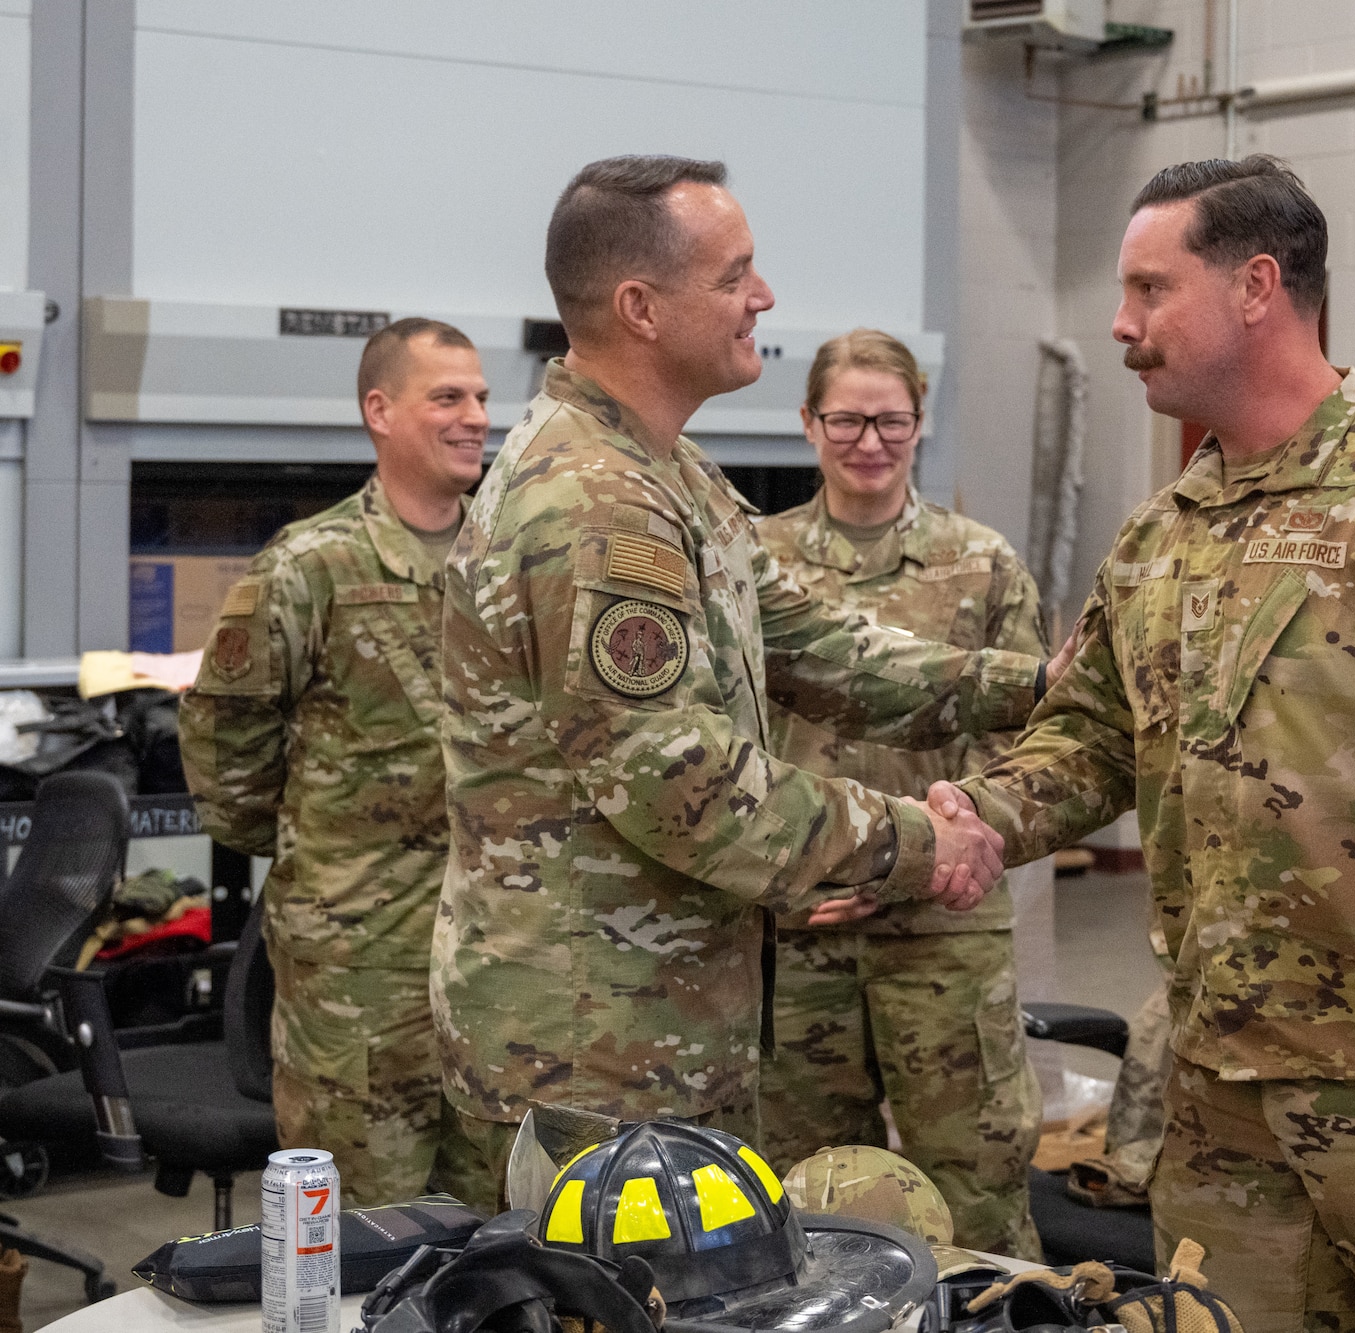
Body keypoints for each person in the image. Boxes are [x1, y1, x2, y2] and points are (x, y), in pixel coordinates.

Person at [930, 155, 1355, 1332]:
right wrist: (973, 821)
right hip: (1220, 1082)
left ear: (1255, 288)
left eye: (1148, 289)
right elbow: (1091, 740)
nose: (1120, 324)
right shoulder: (1161, 534)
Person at [432, 156, 1042, 1213]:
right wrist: (918, 842)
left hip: (656, 1025)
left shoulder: (667, 470)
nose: (762, 296)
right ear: (641, 307)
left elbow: (810, 640)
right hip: (592, 1054)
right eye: (734, 275)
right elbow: (686, 785)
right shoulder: (594, 501)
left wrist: (1029, 687)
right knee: (609, 1290)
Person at [180, 317, 490, 1204]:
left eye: (480, 397)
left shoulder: (508, 561)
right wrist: (322, 855)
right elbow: (225, 744)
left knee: (492, 1232)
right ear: (379, 411)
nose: (475, 416)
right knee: (360, 1231)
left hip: (493, 961)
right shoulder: (311, 566)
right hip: (360, 972)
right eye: (448, 397)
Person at [755, 329, 1048, 1258]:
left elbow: (1031, 745)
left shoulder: (981, 562)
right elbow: (726, 744)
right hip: (803, 931)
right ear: (809, 422)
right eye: (847, 419)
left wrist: (935, 851)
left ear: (922, 423)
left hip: (945, 927)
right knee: (801, 1195)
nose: (870, 442)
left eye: (892, 420)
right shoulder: (757, 563)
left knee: (977, 1185)